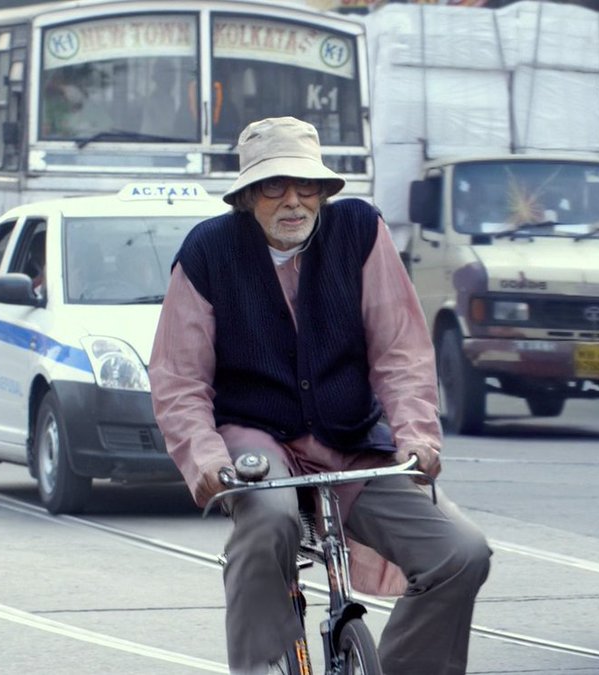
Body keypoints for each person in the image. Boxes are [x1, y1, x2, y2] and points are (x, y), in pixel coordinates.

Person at [149, 116, 491, 675]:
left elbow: (400, 348)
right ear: (246, 197)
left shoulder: (360, 230)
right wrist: (206, 459)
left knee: (460, 553)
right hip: (254, 436)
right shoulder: (207, 250)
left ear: (324, 191)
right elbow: (179, 379)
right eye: (273, 187)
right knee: (269, 519)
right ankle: (259, 667)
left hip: (350, 437)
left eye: (306, 186)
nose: (293, 201)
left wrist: (418, 436)